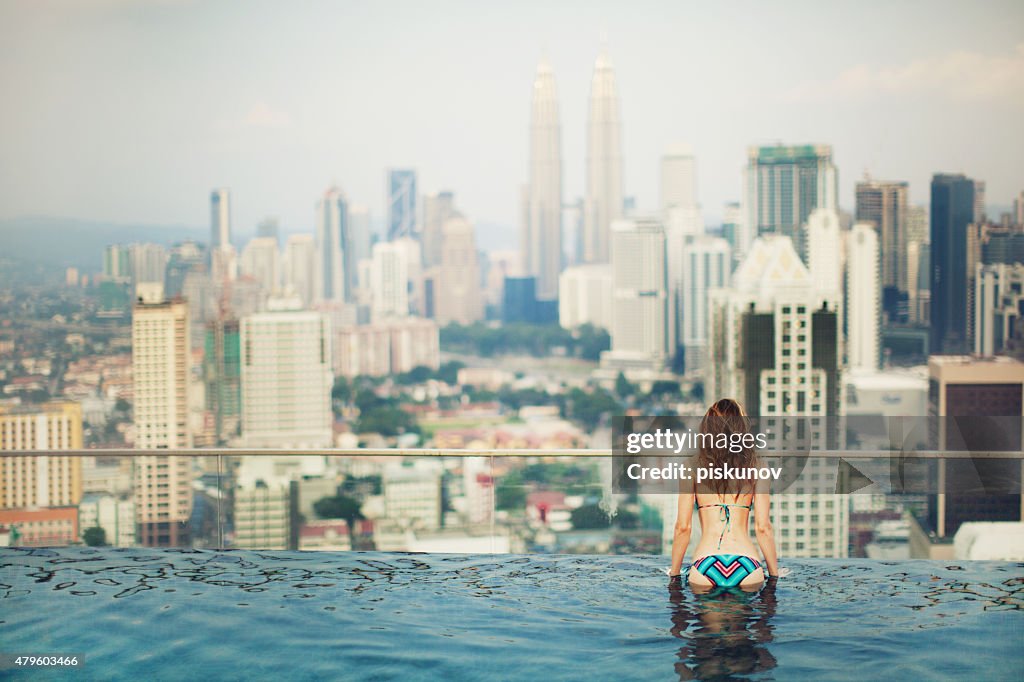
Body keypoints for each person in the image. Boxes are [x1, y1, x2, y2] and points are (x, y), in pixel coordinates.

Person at [668, 398, 783, 589]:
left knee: (707, 618)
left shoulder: (691, 466)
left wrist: (674, 574)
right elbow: (763, 527)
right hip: (747, 566)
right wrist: (774, 576)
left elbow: (683, 527)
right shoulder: (759, 465)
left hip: (706, 565)